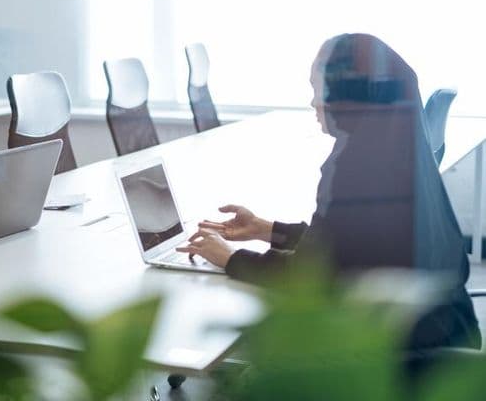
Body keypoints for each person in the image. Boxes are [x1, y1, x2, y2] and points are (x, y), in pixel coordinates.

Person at [178, 33, 480, 351]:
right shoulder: (401, 148)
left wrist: (229, 257)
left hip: (402, 361)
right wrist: (265, 229)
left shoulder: (354, 163)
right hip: (452, 341)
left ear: (344, 91)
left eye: (318, 87)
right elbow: (350, 245)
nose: (313, 101)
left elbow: (308, 276)